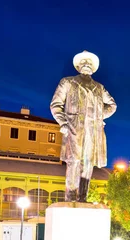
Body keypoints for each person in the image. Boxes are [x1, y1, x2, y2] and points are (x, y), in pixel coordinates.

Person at [50, 50, 117, 202]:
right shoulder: (67, 82)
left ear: (93, 68)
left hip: (93, 130)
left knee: (88, 163)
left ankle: (83, 197)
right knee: (73, 160)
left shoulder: (99, 88)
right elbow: (56, 105)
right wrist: (63, 122)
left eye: (89, 63)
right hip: (74, 127)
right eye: (83, 62)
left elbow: (112, 105)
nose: (86, 64)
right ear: (78, 66)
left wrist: (98, 117)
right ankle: (71, 196)